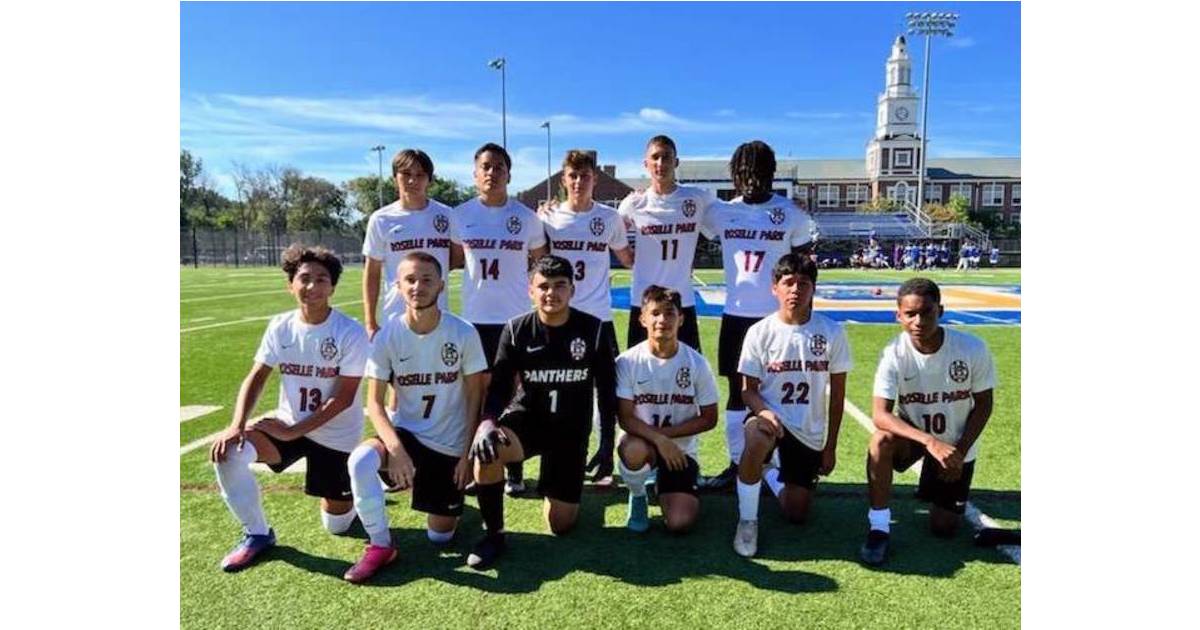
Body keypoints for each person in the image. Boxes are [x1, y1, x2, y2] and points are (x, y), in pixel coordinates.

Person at [209, 245, 368, 572]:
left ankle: (352, 495)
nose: (312, 287)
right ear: (290, 285)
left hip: (334, 434)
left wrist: (292, 430)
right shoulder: (280, 326)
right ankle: (257, 533)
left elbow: (344, 397)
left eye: (321, 279)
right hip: (288, 424)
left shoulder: (349, 331)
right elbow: (256, 377)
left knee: (337, 525)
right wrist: (237, 424)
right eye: (304, 278)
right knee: (228, 453)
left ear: (333, 287)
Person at [465, 255, 619, 570]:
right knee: (488, 450)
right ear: (531, 291)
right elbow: (499, 389)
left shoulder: (594, 330)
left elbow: (606, 392)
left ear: (572, 290)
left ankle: (554, 482)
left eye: (560, 285)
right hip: (527, 424)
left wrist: (606, 446)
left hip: (570, 432)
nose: (552, 293)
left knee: (560, 525)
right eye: (543, 286)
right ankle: (494, 534)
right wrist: (487, 423)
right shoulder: (516, 329)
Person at [342, 252, 487, 583]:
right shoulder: (387, 336)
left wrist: (465, 458)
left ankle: (435, 495)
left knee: (440, 537)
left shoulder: (463, 333)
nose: (418, 286)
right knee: (361, 460)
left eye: (426, 279)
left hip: (449, 446)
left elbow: (474, 399)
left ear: (441, 284)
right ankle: (380, 545)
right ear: (397, 285)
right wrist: (395, 449)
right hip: (406, 436)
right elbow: (376, 405)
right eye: (410, 279)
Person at [696, 140, 815, 492]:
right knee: (736, 391)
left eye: (758, 173)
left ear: (771, 174)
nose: (751, 180)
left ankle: (779, 463)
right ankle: (737, 463)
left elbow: (803, 268)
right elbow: (685, 218)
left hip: (777, 320)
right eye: (744, 173)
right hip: (735, 316)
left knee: (777, 392)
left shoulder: (790, 214)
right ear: (734, 175)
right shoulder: (719, 212)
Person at [859, 278, 996, 566]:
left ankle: (932, 483)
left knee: (944, 528)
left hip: (956, 443)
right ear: (898, 315)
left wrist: (959, 450)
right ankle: (879, 527)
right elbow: (880, 414)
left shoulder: (972, 349)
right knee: (880, 440)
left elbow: (984, 404)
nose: (918, 320)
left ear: (940, 311)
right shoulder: (893, 354)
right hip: (917, 440)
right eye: (910, 314)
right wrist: (929, 442)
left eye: (926, 312)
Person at [731, 253, 851, 558]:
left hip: (808, 428)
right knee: (757, 436)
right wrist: (764, 411)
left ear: (814, 289)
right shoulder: (760, 332)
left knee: (797, 513)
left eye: (804, 283)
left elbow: (837, 395)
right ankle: (747, 520)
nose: (795, 289)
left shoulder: (831, 332)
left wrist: (831, 446)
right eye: (788, 282)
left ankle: (770, 472)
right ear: (775, 288)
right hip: (770, 419)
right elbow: (748, 391)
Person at [450, 142, 549, 495]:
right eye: (486, 167)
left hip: (516, 321)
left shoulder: (525, 218)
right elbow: (451, 260)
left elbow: (541, 265)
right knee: (477, 394)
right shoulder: (459, 216)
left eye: (499, 167)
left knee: (515, 395)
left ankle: (514, 471)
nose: (492, 173)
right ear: (475, 173)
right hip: (474, 321)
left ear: (509, 173)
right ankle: (480, 465)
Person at [541, 149, 635, 484]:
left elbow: (628, 258)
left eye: (585, 175)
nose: (579, 181)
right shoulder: (548, 219)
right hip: (560, 319)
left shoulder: (608, 219)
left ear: (594, 179)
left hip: (598, 318)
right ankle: (560, 454)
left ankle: (606, 454)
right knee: (559, 389)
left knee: (606, 390)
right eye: (573, 175)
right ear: (564, 180)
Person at [615, 285, 719, 533]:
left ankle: (665, 482)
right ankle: (638, 495)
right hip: (642, 443)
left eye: (670, 313)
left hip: (680, 451)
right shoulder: (627, 362)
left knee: (679, 523)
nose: (663, 320)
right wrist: (659, 440)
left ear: (681, 318)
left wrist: (667, 439)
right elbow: (626, 419)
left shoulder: (697, 363)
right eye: (655, 313)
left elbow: (709, 418)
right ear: (642, 318)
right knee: (633, 449)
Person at [617, 135, 715, 352]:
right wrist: (627, 258)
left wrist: (790, 205)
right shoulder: (633, 203)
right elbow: (609, 233)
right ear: (646, 164)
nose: (660, 163)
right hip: (643, 301)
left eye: (666, 157)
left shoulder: (697, 198)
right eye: (655, 157)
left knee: (687, 372)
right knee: (639, 372)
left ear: (676, 162)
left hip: (682, 303)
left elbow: (732, 213)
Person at [361, 149, 456, 339]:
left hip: (437, 317)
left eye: (420, 175)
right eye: (406, 174)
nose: (412, 181)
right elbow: (372, 272)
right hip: (395, 318)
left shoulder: (447, 215)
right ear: (394, 178)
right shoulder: (381, 219)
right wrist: (370, 322)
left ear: (429, 179)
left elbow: (456, 257)